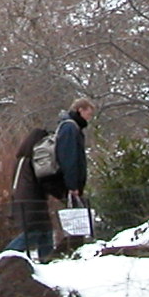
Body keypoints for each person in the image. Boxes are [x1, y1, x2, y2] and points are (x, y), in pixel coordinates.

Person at [7, 125, 55, 260]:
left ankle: (46, 259)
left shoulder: (21, 159)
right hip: (33, 201)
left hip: (23, 200)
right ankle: (8, 254)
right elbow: (44, 178)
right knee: (35, 232)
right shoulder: (35, 159)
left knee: (43, 231)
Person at [52, 97, 95, 250]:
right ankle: (71, 249)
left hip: (72, 182)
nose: (89, 117)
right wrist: (72, 185)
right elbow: (69, 158)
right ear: (80, 110)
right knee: (75, 220)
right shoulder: (70, 128)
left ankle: (73, 248)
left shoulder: (71, 127)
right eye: (88, 113)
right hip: (71, 184)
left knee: (76, 220)